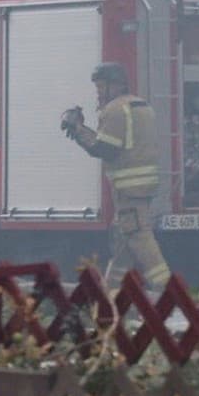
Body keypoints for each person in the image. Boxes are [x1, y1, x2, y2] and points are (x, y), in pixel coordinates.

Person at [61, 62, 171, 290]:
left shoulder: (114, 110)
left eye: (102, 87)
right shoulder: (142, 106)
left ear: (116, 85)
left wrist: (78, 130)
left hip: (127, 190)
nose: (99, 92)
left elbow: (105, 149)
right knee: (123, 245)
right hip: (145, 186)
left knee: (140, 238)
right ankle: (110, 294)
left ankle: (169, 291)